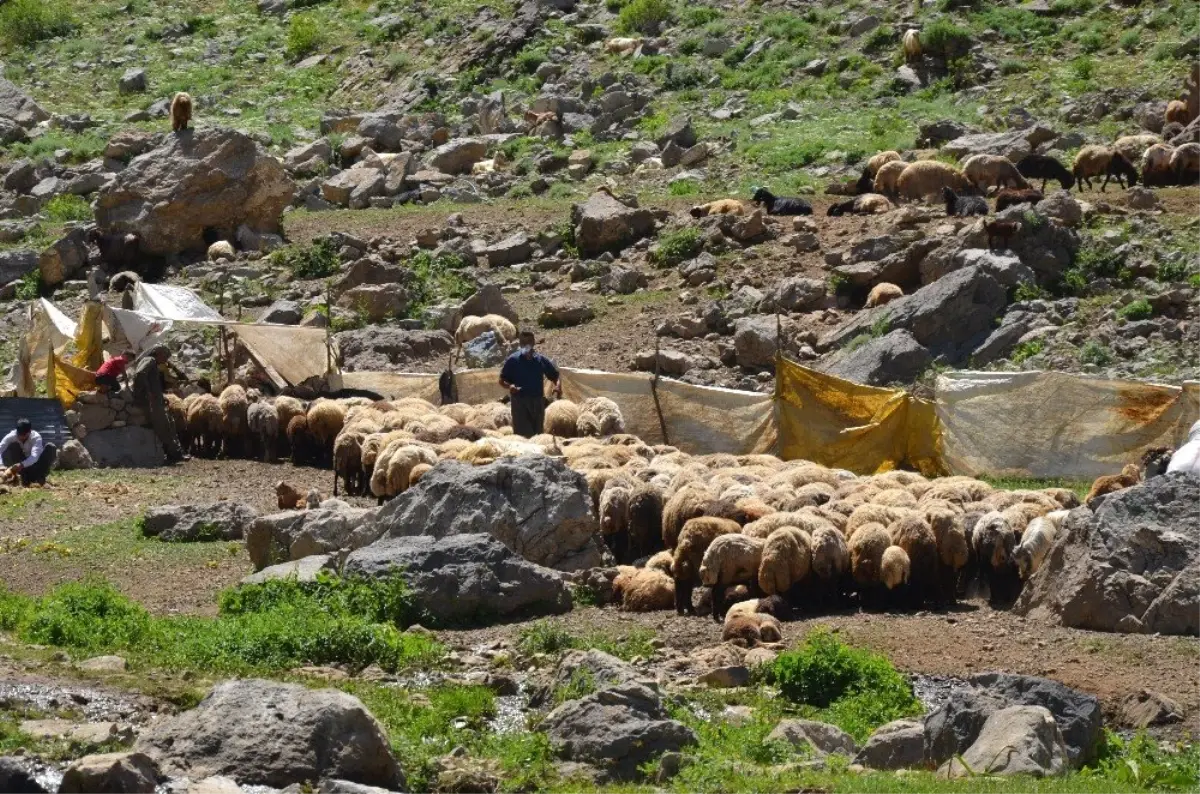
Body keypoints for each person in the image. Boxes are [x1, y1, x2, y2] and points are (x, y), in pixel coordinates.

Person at [499, 331, 561, 438]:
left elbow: (555, 376)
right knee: (524, 436)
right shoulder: (513, 360)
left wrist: (558, 386)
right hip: (520, 403)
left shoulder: (540, 360)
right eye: (523, 342)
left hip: (537, 403)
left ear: (533, 343)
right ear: (520, 344)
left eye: (529, 341)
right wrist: (510, 386)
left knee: (538, 435)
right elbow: (501, 380)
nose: (526, 345)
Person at [132, 344, 187, 464]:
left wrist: (161, 397)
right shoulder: (149, 360)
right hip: (152, 404)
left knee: (170, 424)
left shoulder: (153, 364)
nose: (166, 360)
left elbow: (152, 383)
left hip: (157, 401)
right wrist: (147, 393)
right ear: (158, 353)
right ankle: (174, 455)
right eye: (165, 356)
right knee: (163, 428)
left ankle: (177, 453)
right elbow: (140, 374)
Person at [1, 419, 57, 487]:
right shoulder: (12, 435)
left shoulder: (36, 437)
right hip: (23, 469)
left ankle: (39, 477)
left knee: (50, 447)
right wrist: (1, 466)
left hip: (37, 466)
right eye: (19, 434)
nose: (21, 437)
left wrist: (22, 464)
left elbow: (34, 457)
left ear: (29, 432)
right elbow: (1, 448)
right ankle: (23, 478)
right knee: (13, 445)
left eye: (23, 434)